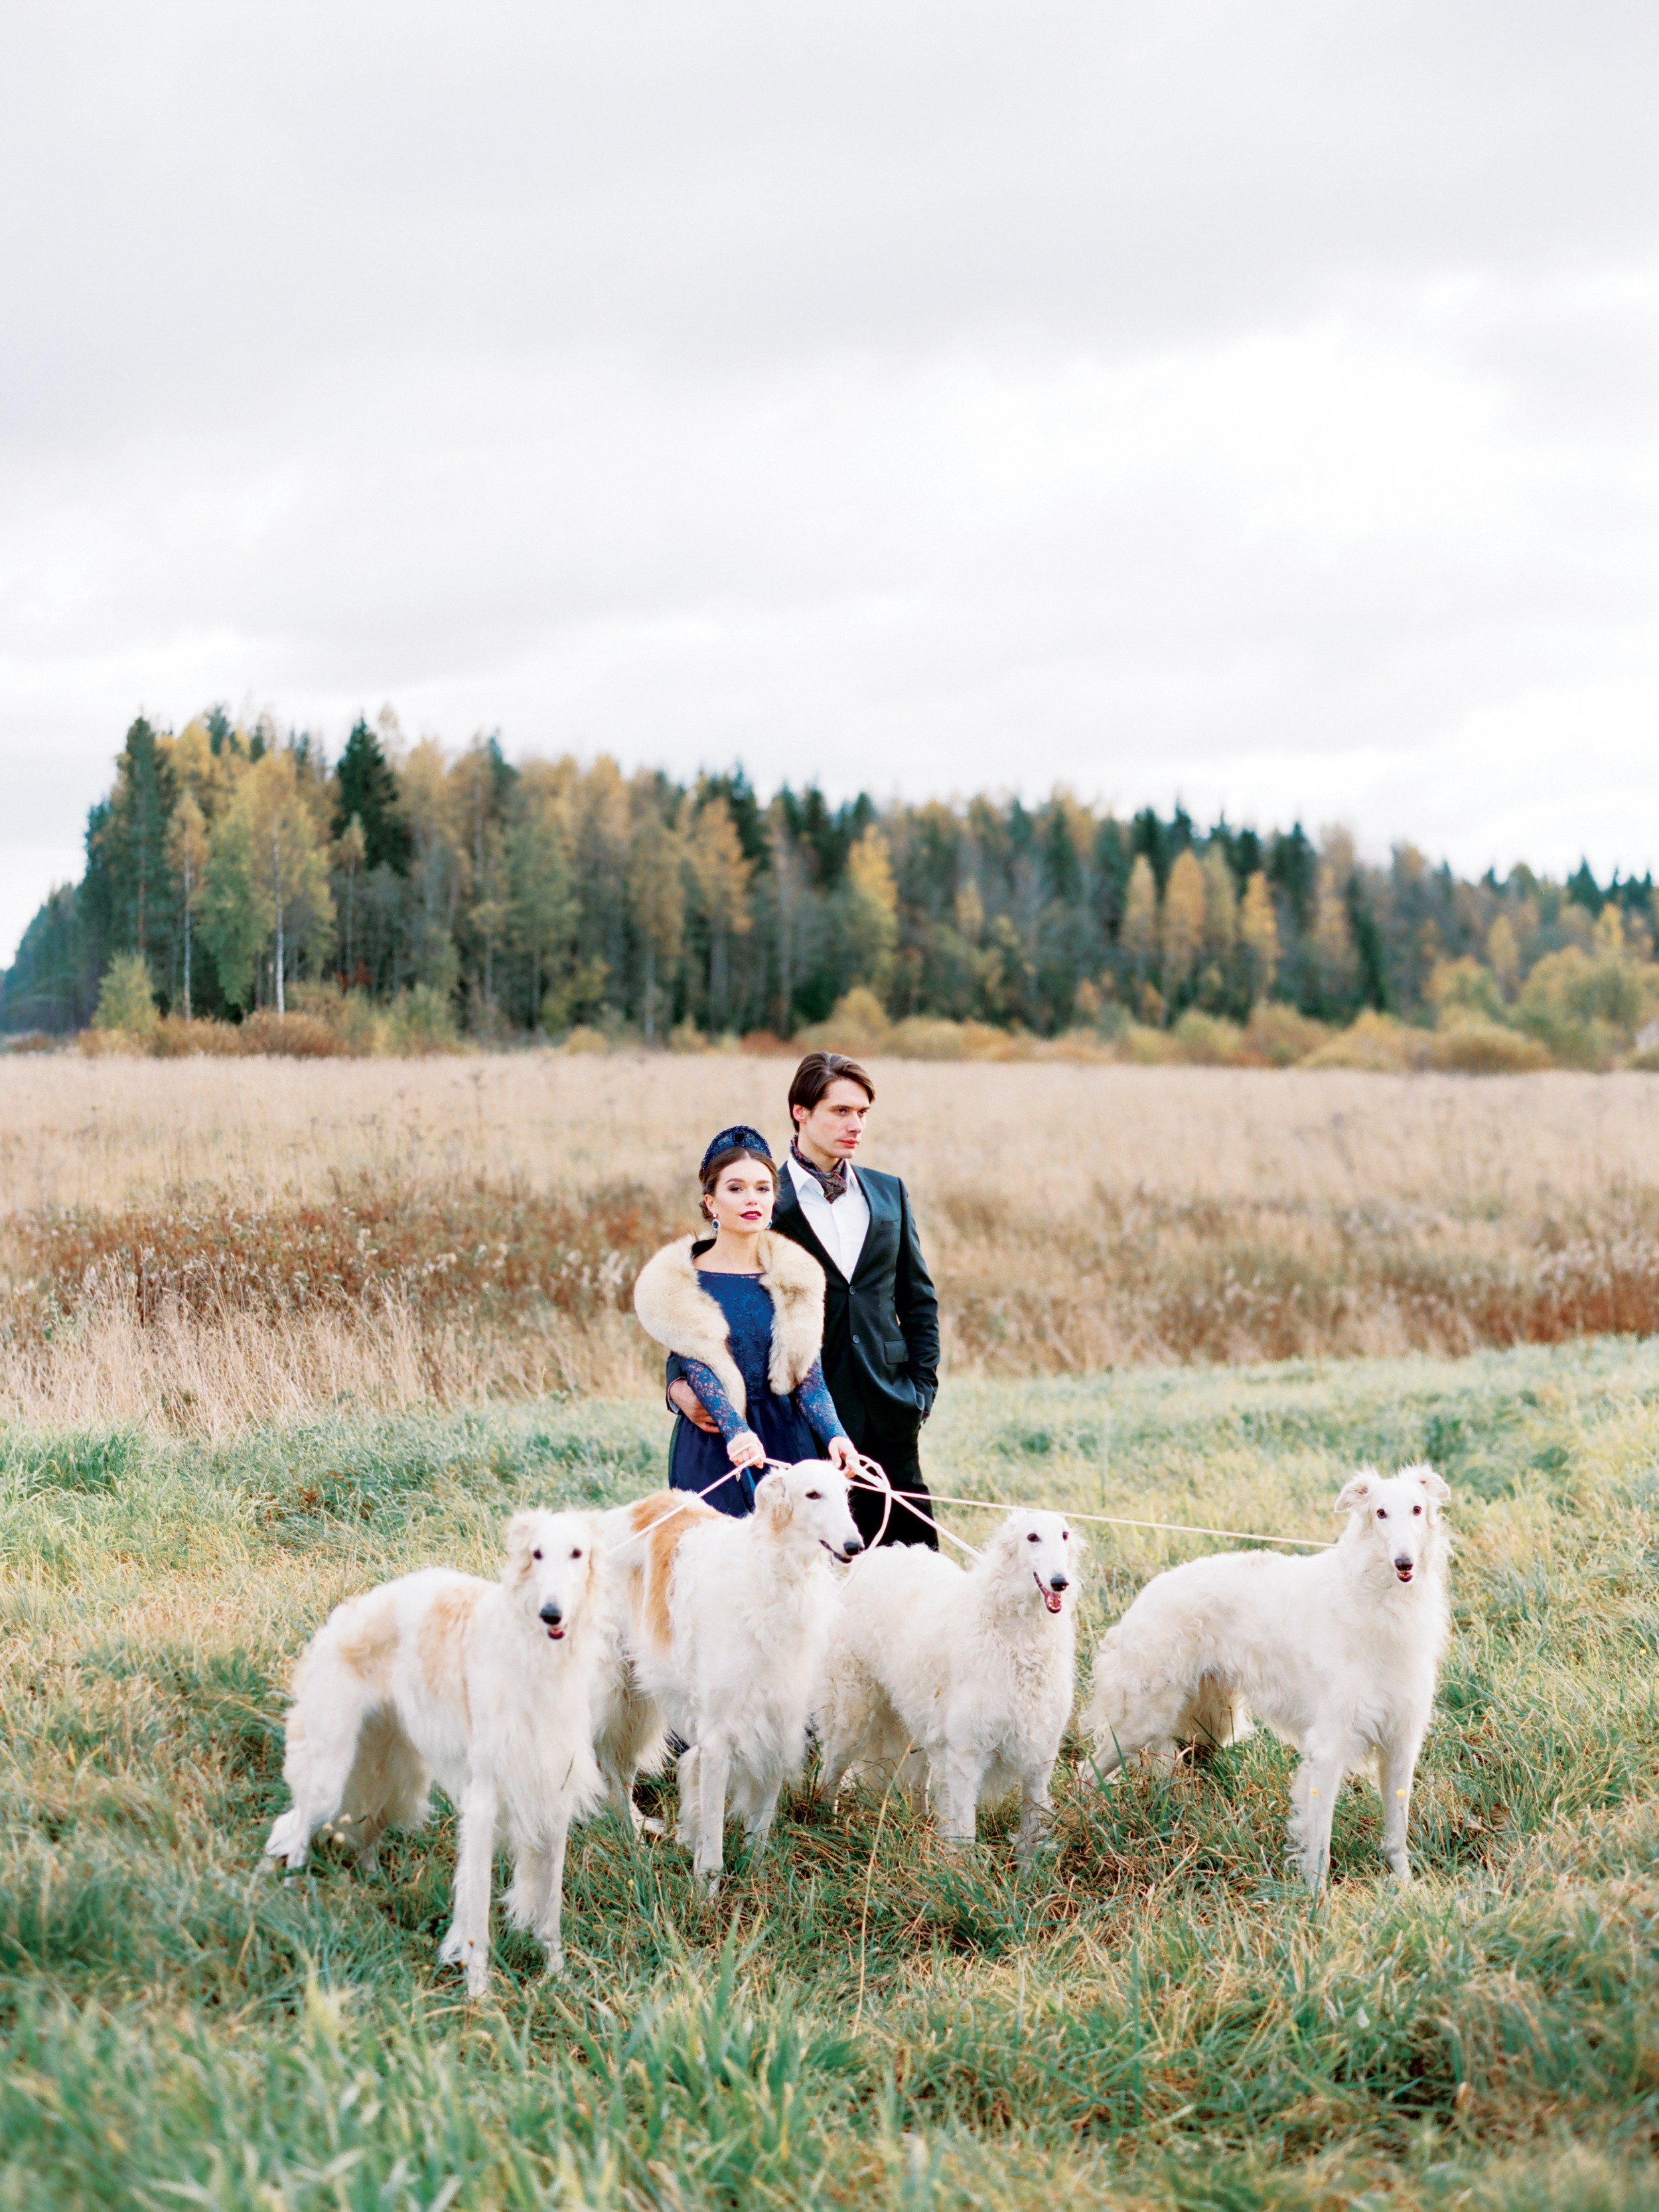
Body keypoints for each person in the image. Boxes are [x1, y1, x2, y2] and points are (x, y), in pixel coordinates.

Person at [668, 1053, 941, 1549]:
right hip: (804, 1416)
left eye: (862, 1113)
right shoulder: (764, 1199)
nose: (855, 1124)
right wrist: (676, 1386)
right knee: (824, 1565)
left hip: (891, 1409)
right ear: (801, 1111)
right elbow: (713, 1304)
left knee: (913, 1560)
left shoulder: (889, 1193)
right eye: (840, 1111)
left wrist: (920, 1392)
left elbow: (918, 1300)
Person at [633, 1125, 858, 1515]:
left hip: (786, 1438)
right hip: (715, 1443)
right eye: (735, 1189)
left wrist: (836, 1436)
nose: (751, 1199)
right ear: (711, 1203)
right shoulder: (682, 1279)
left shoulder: (796, 1278)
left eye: (762, 1188)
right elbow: (697, 1366)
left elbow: (809, 1378)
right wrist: (737, 1432)